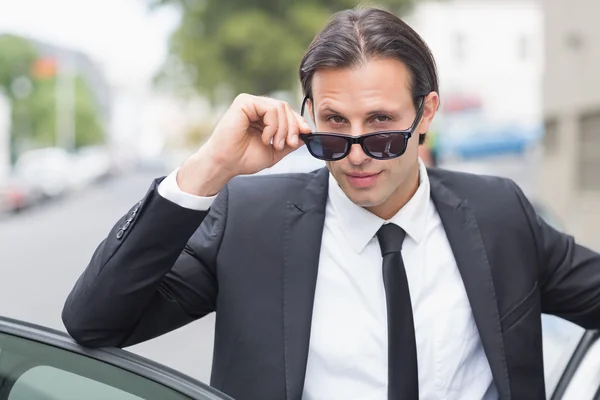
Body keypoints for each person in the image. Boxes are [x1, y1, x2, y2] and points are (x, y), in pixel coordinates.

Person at [62, 6, 600, 400]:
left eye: (383, 127)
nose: (358, 155)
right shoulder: (250, 220)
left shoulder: (500, 213)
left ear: (426, 114)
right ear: (309, 115)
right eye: (334, 128)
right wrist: (209, 169)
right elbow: (95, 322)